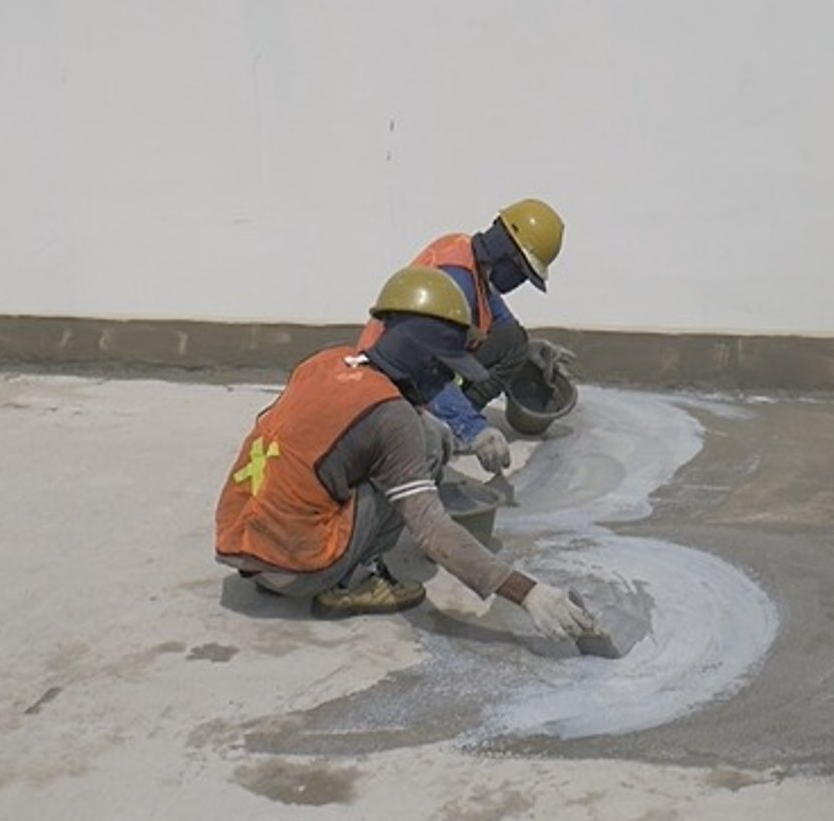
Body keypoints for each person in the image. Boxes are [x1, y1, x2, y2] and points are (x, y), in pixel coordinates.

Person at [215, 265, 598, 639]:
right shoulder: (392, 419)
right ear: (426, 359)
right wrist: (528, 593)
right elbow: (433, 531)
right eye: (447, 370)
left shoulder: (326, 362)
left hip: (242, 549)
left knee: (412, 436)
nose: (448, 382)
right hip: (298, 571)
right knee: (419, 445)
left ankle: (285, 559)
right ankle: (351, 581)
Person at [357, 198, 576, 476]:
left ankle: (451, 416)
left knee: (515, 342)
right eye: (522, 274)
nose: (519, 283)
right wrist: (474, 429)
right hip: (391, 379)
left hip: (420, 362)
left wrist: (530, 351)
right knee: (420, 448)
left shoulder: (471, 260)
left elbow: (506, 329)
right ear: (506, 254)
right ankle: (445, 421)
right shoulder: (455, 281)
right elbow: (425, 373)